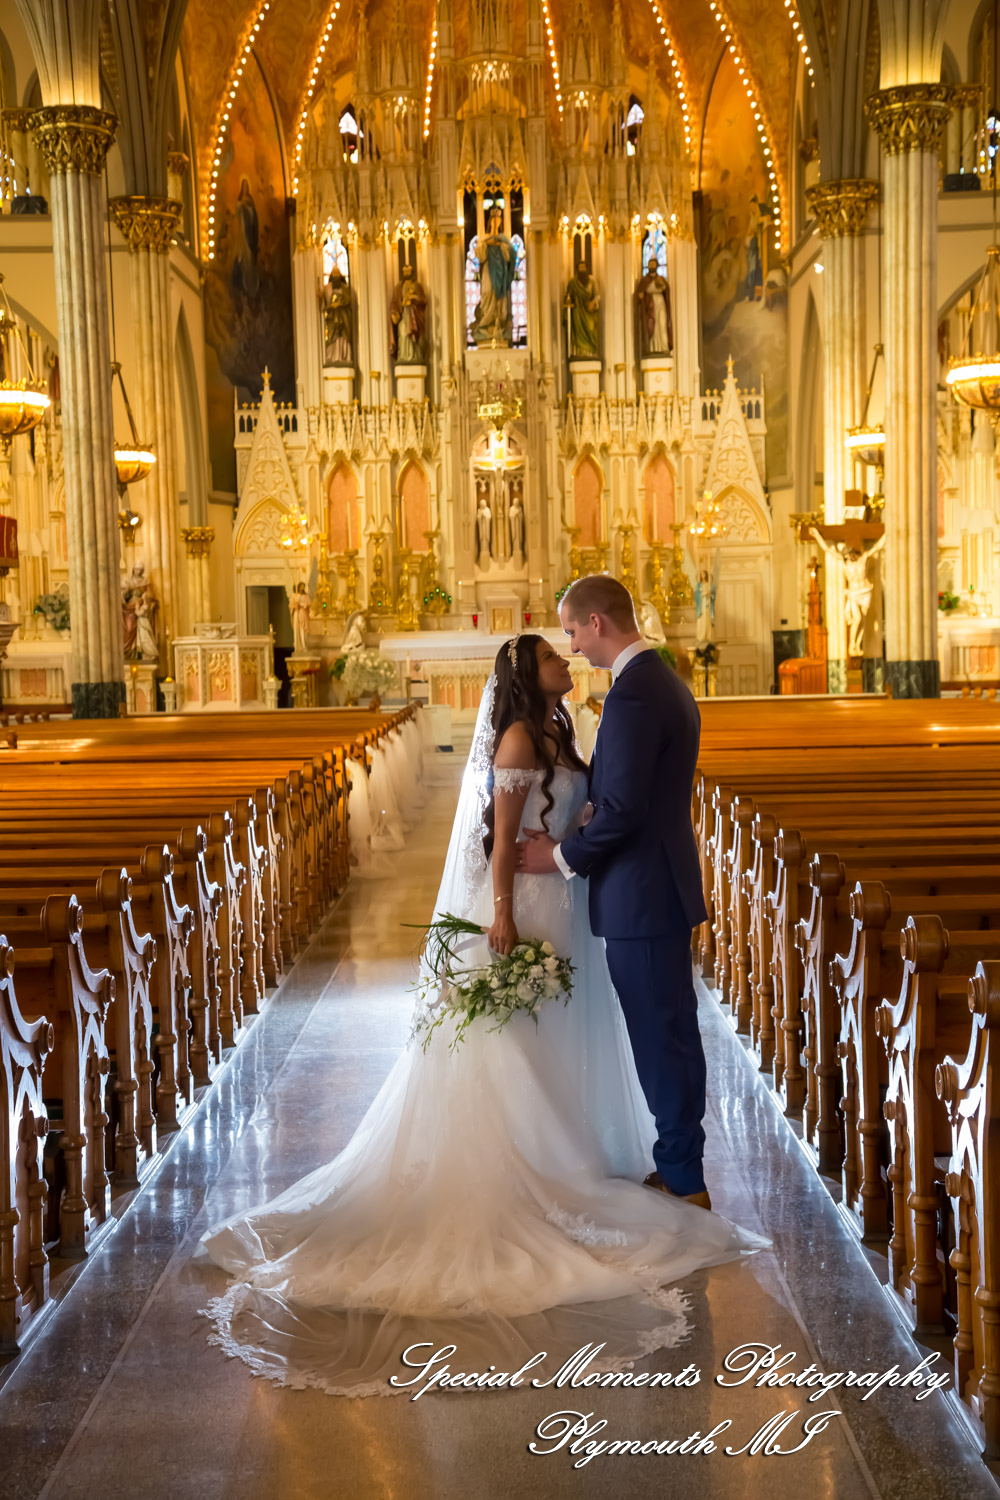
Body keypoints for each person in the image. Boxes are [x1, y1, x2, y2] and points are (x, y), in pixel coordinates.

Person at [199, 629, 764, 1395]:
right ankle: (530, 1167)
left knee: (556, 1037)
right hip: (528, 906)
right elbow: (501, 841)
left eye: (570, 645)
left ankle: (563, 1153)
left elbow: (585, 807)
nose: (567, 658)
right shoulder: (517, 737)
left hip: (563, 903)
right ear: (530, 675)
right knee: (514, 1040)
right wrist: (500, 913)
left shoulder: (560, 727)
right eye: (553, 656)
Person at [519, 575, 713, 1208]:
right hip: (653, 886)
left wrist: (561, 857)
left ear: (597, 623)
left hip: (643, 893)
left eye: (572, 631)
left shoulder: (633, 695)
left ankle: (684, 1178)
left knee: (662, 1037)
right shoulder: (659, 680)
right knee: (670, 1032)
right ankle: (680, 1165)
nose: (572, 645)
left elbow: (625, 810)